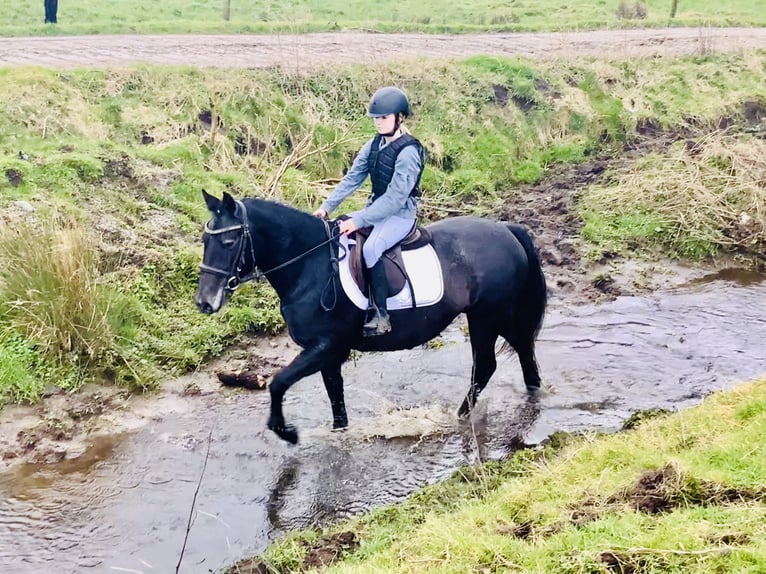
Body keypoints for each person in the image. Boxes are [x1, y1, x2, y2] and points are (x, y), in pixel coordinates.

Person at [313, 86, 425, 337]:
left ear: (400, 118)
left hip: (400, 216)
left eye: (383, 117)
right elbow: (352, 179)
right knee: (338, 230)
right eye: (376, 118)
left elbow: (396, 198)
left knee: (373, 247)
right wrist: (327, 207)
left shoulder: (409, 153)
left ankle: (382, 315)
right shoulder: (373, 145)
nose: (378, 122)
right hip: (376, 210)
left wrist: (361, 219)